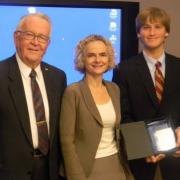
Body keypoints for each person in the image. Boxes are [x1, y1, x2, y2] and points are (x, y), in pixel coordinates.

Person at [112, 7, 180, 180]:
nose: (151, 32)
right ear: (138, 33)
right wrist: (143, 148)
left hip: (177, 155)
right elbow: (123, 114)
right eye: (146, 27)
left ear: (166, 32)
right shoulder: (123, 70)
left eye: (157, 27)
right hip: (142, 160)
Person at [0, 13, 67, 180]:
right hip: (10, 172)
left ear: (48, 44)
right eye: (30, 35)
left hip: (50, 171)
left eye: (42, 37)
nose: (36, 42)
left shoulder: (58, 77)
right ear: (16, 37)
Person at [59, 34, 134, 180]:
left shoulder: (114, 89)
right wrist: (76, 176)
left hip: (116, 165)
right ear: (82, 59)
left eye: (103, 55)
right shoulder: (73, 91)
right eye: (91, 55)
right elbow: (66, 141)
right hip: (86, 168)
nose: (98, 60)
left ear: (109, 58)